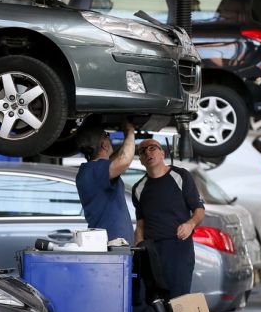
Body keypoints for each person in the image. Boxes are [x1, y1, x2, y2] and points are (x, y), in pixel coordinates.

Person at [131, 139, 205, 298]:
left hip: (178, 249)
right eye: (142, 151)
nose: (148, 153)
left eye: (152, 148)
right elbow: (141, 225)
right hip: (151, 252)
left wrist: (190, 224)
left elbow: (199, 210)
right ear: (141, 160)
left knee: (179, 301)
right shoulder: (139, 188)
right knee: (155, 303)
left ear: (162, 153)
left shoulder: (181, 176)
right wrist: (138, 249)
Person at [74, 120, 136, 245]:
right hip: (113, 244)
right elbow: (124, 160)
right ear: (104, 145)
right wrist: (130, 131)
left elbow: (117, 158)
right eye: (107, 135)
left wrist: (128, 140)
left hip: (110, 243)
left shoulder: (89, 170)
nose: (109, 138)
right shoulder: (96, 170)